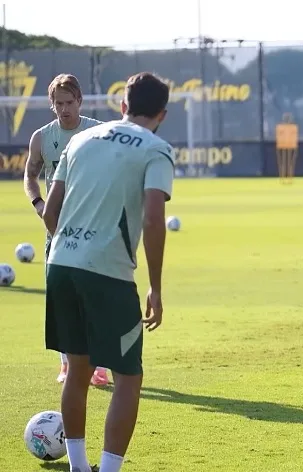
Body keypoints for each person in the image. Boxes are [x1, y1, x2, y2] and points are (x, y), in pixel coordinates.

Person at [42, 72, 174, 472]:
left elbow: (50, 214)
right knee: (128, 377)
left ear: (122, 105)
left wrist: (74, 246)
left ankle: (78, 467)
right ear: (162, 114)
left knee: (77, 370)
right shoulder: (157, 148)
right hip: (108, 273)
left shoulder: (80, 140)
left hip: (60, 264)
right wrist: (154, 286)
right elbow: (154, 219)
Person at [23, 73, 107, 386]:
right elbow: (30, 175)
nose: (64, 109)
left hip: (93, 230)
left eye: (69, 102)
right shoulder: (42, 138)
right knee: (61, 301)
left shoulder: (97, 132)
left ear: (79, 102)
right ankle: (66, 365)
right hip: (56, 231)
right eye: (58, 104)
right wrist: (39, 204)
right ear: (52, 105)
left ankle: (98, 365)